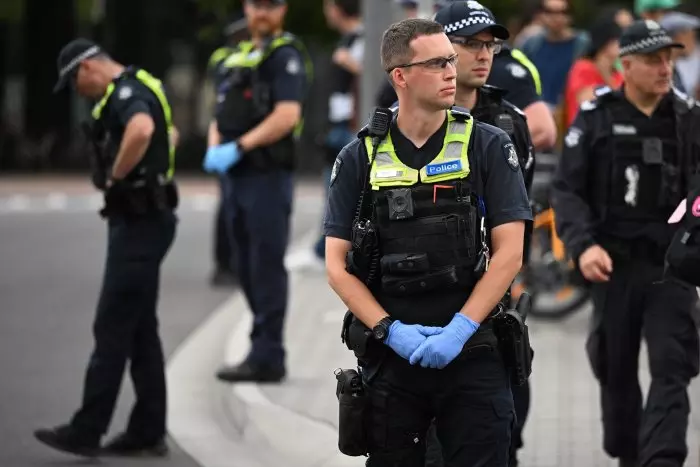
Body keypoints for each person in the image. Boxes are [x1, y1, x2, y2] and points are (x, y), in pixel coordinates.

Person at [325, 18, 532, 466]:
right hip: (393, 362)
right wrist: (389, 331)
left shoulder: (488, 145)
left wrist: (460, 330)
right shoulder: (359, 157)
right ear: (400, 76)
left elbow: (510, 251)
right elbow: (337, 266)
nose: (451, 72)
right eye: (437, 63)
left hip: (474, 353)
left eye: (451, 61)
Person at [551, 20, 700, 467]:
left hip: (670, 266)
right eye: (654, 60)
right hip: (611, 265)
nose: (665, 68)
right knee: (615, 370)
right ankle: (630, 454)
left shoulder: (689, 118)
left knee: (671, 367)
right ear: (626, 65)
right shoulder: (597, 117)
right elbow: (567, 190)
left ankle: (663, 459)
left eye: (669, 58)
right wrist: (583, 245)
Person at [34, 38, 179, 457]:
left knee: (112, 325)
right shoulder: (142, 84)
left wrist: (116, 175)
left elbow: (144, 129)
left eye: (73, 83)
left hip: (138, 224)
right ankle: (148, 430)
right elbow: (169, 131)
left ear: (86, 69)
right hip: (148, 220)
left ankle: (86, 429)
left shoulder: (125, 94)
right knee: (139, 331)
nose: (77, 92)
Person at [203, 0, 311, 383]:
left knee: (265, 265)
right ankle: (260, 347)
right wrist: (216, 147)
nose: (262, 12)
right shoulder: (233, 58)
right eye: (256, 5)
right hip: (235, 175)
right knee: (243, 264)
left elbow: (286, 115)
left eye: (271, 5)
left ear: (283, 9)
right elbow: (220, 112)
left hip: (266, 175)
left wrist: (241, 146)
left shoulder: (286, 56)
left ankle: (269, 355)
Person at [313, 0, 363, 262]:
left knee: (338, 184)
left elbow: (376, 73)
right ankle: (324, 245)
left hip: (350, 125)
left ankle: (328, 246)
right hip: (340, 123)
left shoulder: (361, 38)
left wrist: (349, 63)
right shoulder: (349, 39)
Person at [207, 14, 250, 287]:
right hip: (229, 139)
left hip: (240, 139)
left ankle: (235, 263)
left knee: (236, 205)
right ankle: (224, 264)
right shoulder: (225, 59)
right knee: (228, 205)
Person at [564, 15, 624, 127]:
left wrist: (607, 75)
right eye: (618, 40)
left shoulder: (618, 73)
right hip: (583, 130)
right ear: (606, 43)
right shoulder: (583, 67)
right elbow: (585, 100)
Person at [661, 11, 700, 97]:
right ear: (680, 37)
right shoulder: (663, 72)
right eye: (692, 36)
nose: (694, 43)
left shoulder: (674, 68)